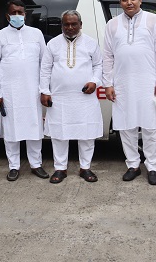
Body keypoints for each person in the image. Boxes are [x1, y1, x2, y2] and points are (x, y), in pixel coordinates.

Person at [102, 0, 156, 185]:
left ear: (140, 0)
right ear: (120, 2)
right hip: (122, 84)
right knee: (126, 127)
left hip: (149, 83)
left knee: (151, 128)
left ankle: (152, 166)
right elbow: (107, 56)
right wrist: (108, 83)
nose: (129, 2)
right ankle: (133, 164)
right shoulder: (112, 25)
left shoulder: (154, 20)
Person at [0, 0, 49, 181]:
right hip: (9, 92)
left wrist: (44, 89)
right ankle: (13, 166)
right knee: (11, 131)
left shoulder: (36, 34)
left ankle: (35, 164)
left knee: (34, 128)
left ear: (25, 14)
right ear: (7, 16)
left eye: (20, 12)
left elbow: (44, 63)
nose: (17, 16)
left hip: (32, 91)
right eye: (13, 13)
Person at [40, 10, 103, 183]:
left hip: (85, 98)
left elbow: (99, 65)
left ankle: (85, 168)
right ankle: (60, 169)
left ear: (80, 25)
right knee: (59, 134)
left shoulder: (91, 43)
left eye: (73, 24)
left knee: (87, 134)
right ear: (62, 25)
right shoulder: (52, 44)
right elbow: (45, 69)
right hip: (59, 98)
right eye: (66, 24)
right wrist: (45, 91)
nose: (69, 27)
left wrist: (94, 81)